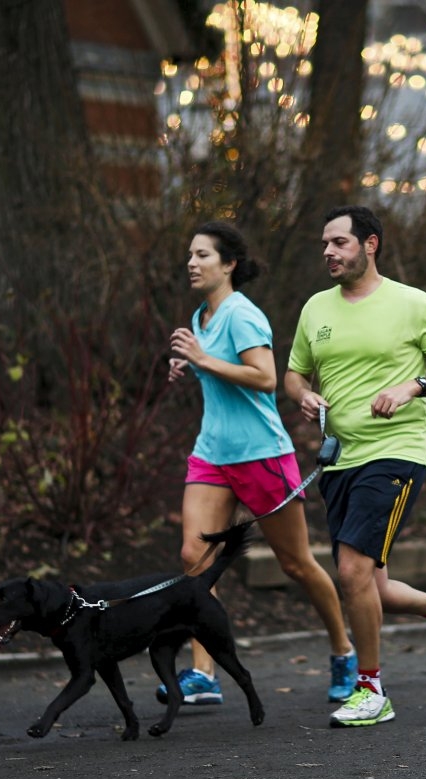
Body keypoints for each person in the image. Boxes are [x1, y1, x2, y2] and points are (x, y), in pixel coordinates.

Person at [284, 205, 426, 728]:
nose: (328, 251)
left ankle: (370, 688)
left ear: (370, 245)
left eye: (340, 243)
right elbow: (293, 376)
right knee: (370, 584)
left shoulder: (412, 304)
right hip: (339, 460)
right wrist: (304, 396)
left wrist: (413, 385)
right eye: (325, 244)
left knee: (351, 570)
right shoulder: (315, 310)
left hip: (397, 452)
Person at [161, 220, 357, 707]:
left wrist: (204, 360)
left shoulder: (242, 315)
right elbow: (221, 376)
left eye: (203, 255)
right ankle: (204, 674)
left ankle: (344, 652)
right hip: (213, 455)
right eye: (190, 254)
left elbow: (265, 377)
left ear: (228, 264)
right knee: (194, 559)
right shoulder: (201, 317)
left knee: (296, 564)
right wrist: (189, 365)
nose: (192, 262)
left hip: (262, 456)